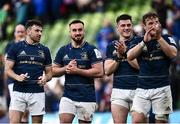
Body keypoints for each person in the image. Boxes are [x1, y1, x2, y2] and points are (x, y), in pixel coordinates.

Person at [127, 12, 177, 123]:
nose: (154, 25)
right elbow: (129, 56)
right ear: (144, 26)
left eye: (156, 22)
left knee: (161, 122)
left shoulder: (167, 38)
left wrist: (159, 38)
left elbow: (173, 54)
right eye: (150, 23)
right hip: (142, 88)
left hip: (162, 88)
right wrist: (144, 42)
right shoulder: (137, 40)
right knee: (137, 120)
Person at [52, 19, 103, 123]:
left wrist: (77, 70)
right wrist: (66, 68)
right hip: (68, 96)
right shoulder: (63, 50)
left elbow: (99, 72)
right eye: (74, 30)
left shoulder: (92, 50)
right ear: (70, 32)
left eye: (80, 30)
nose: (77, 33)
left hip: (87, 96)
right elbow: (53, 71)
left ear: (84, 31)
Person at [5, 19, 52, 123]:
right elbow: (7, 69)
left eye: (41, 31)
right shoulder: (15, 47)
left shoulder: (45, 50)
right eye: (37, 31)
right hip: (18, 91)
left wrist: (45, 79)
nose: (40, 33)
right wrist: (17, 77)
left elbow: (49, 73)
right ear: (28, 31)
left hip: (37, 91)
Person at [104, 14, 139, 123]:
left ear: (132, 26)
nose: (126, 28)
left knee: (139, 122)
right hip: (119, 90)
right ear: (117, 28)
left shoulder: (140, 42)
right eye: (123, 25)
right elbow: (108, 71)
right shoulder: (111, 46)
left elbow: (140, 66)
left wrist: (125, 53)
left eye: (129, 25)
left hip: (139, 89)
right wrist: (118, 57)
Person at [4, 24, 29, 123]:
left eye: (22, 32)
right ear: (14, 33)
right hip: (13, 81)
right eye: (18, 32)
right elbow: (7, 64)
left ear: (26, 33)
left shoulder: (30, 45)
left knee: (26, 109)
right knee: (16, 107)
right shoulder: (10, 46)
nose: (20, 34)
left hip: (27, 80)